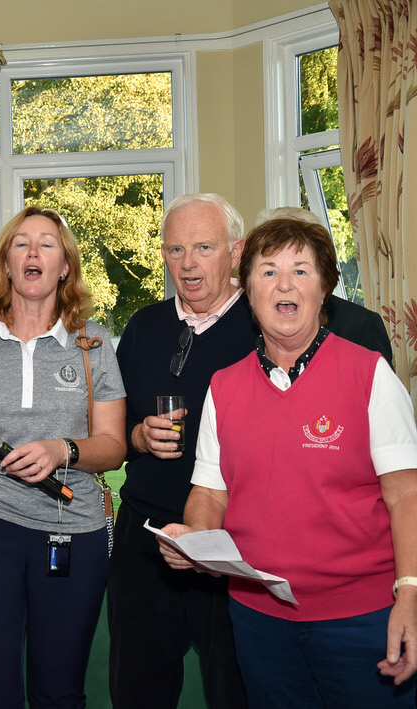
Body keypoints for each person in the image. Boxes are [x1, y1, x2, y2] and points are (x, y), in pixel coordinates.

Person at [159, 217, 417, 708]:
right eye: (268, 271)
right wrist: (196, 539)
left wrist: (411, 596)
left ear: (324, 289)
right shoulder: (224, 386)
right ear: (248, 290)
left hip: (363, 620)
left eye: (301, 271)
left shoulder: (370, 375)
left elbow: (407, 494)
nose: (284, 284)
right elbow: (210, 492)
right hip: (259, 623)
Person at [0, 206, 127, 708]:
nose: (33, 252)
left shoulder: (94, 343)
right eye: (21, 243)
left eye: (47, 243)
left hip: (72, 532)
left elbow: (114, 447)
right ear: (7, 265)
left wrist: (64, 450)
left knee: (58, 691)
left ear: (64, 266)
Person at [109, 193, 254, 709]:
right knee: (137, 689)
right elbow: (111, 427)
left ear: (236, 252)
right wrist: (138, 437)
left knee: (235, 688)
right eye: (175, 250)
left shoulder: (264, 328)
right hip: (145, 536)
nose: (187, 263)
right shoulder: (144, 326)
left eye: (203, 247)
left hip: (232, 541)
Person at [256, 206, 393, 367]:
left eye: (299, 269)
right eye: (272, 270)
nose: (285, 284)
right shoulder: (245, 322)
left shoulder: (360, 326)